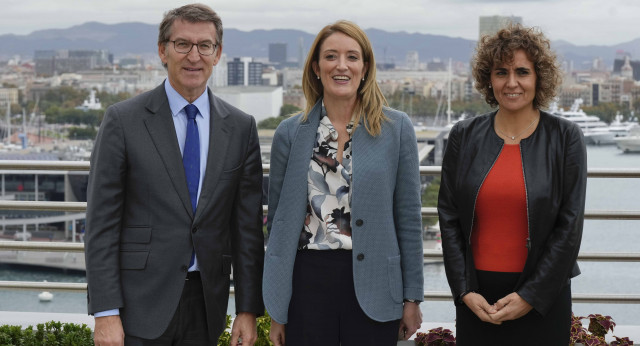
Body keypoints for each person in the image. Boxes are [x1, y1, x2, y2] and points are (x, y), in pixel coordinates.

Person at [84, 4, 265, 345]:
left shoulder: (241, 128)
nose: (193, 56)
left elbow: (247, 230)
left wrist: (247, 308)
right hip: (138, 306)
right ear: (162, 51)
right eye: (182, 44)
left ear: (218, 53)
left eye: (204, 46)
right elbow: (101, 225)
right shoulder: (123, 121)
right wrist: (106, 312)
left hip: (207, 306)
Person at [262, 20, 424, 346]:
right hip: (307, 283)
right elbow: (278, 222)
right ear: (316, 67)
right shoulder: (289, 133)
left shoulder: (397, 129)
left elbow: (408, 218)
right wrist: (277, 309)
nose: (342, 65)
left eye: (352, 57)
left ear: (365, 68)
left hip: (376, 284)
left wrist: (412, 297)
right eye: (331, 56)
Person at [438, 24, 587, 346]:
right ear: (488, 80)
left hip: (543, 297)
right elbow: (448, 217)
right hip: (477, 296)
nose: (512, 83)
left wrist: (531, 296)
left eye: (522, 72)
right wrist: (464, 290)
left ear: (539, 78)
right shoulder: (463, 136)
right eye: (501, 72)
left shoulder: (565, 137)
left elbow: (570, 226)